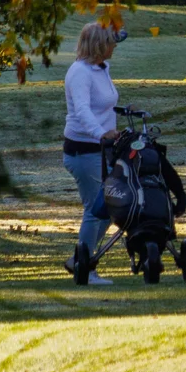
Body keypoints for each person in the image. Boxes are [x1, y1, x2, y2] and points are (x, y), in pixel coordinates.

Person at [62, 22, 127, 284]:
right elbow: (82, 110)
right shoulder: (80, 72)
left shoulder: (101, 69)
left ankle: (79, 260)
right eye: (111, 42)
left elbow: (103, 105)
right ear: (100, 45)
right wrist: (100, 132)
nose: (114, 47)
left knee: (109, 208)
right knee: (96, 209)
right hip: (84, 150)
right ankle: (86, 270)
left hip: (103, 150)